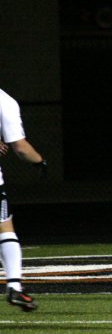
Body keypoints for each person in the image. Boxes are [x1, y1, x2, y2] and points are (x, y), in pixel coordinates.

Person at [0, 88, 47, 311]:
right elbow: (20, 147)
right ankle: (15, 286)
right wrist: (40, 162)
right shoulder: (4, 100)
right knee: (5, 229)